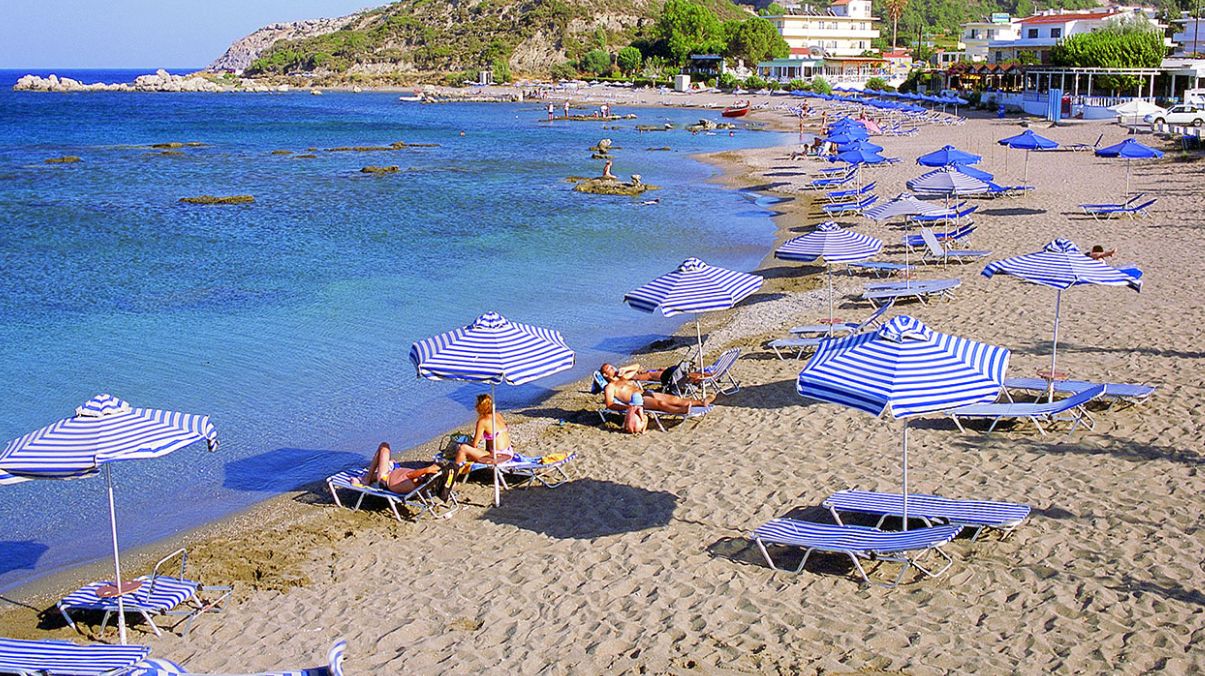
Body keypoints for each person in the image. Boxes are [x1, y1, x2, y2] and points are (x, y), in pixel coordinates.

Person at [600, 364, 713, 416]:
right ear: (605, 374)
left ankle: (701, 402)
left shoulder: (624, 378)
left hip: (647, 393)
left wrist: (624, 368)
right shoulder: (610, 387)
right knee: (661, 404)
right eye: (609, 368)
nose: (613, 368)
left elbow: (637, 366)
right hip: (639, 400)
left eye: (612, 366)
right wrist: (627, 407)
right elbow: (609, 404)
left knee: (674, 399)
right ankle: (681, 410)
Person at [454, 393, 513, 466]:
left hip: (498, 456)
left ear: (480, 407)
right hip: (508, 453)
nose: (475, 407)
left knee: (463, 448)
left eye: (477, 404)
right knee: (471, 451)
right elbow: (491, 439)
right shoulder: (497, 415)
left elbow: (475, 444)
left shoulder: (483, 421)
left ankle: (457, 469)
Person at [360, 442, 442, 494]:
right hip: (391, 474)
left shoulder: (417, 479)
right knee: (389, 460)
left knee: (384, 447)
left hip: (384, 478)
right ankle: (370, 477)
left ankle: (367, 479)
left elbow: (410, 474)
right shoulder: (422, 480)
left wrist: (427, 469)